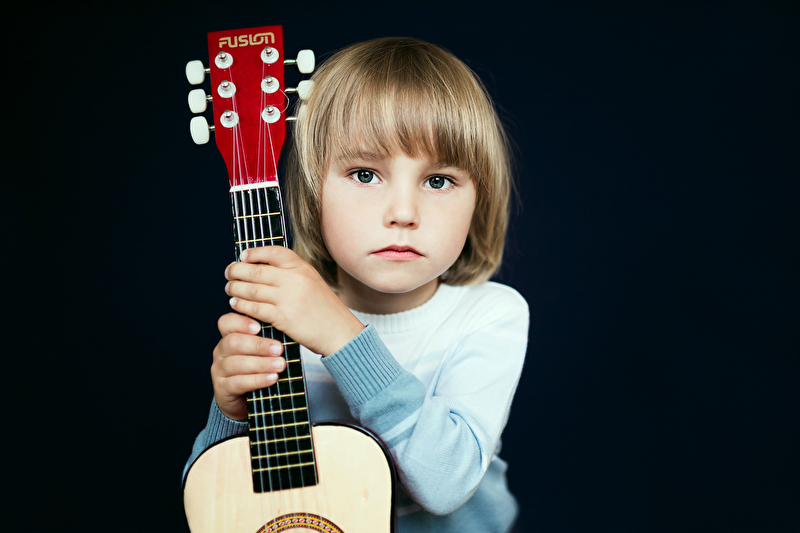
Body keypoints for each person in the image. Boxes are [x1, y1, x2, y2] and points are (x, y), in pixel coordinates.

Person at [184, 37, 529, 532]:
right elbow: (220, 513)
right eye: (365, 174)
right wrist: (230, 415)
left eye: (438, 181)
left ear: (480, 199)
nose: (403, 213)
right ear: (313, 192)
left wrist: (340, 335)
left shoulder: (489, 315)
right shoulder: (281, 321)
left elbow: (446, 483)